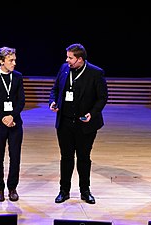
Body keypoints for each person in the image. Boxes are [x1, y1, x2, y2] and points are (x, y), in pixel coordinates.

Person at [49, 43, 108, 204]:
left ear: (80, 59)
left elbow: (102, 97)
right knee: (66, 158)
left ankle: (85, 191)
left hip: (85, 124)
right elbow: (55, 89)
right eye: (67, 57)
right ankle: (64, 191)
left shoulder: (95, 73)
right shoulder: (64, 69)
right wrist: (52, 102)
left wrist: (92, 113)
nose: (67, 60)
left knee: (84, 158)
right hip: (65, 123)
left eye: (70, 58)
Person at [0, 46, 25, 202]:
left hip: (15, 122)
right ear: (2, 61)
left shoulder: (18, 76)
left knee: (15, 157)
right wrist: (3, 117)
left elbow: (21, 101)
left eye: (15, 60)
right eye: (11, 60)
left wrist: (12, 116)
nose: (14, 63)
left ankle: (12, 188)